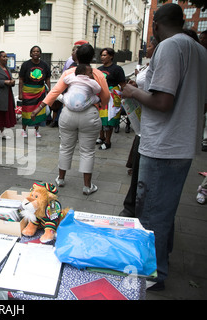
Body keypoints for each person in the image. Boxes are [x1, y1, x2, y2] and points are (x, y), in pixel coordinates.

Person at [122, 3, 207, 291]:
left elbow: (162, 102)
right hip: (181, 143)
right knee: (164, 210)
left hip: (163, 145)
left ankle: (152, 274)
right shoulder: (199, 50)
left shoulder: (170, 47)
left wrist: (133, 91)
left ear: (155, 24)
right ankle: (161, 263)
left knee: (151, 214)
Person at [32, 44, 110, 195]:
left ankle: (61, 179)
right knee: (87, 151)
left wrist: (38, 108)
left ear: (77, 57)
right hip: (90, 115)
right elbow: (106, 96)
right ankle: (87, 186)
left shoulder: (69, 72)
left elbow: (55, 92)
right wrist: (99, 104)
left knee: (65, 147)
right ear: (92, 58)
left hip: (68, 114)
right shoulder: (97, 74)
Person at [119, 37, 158, 218]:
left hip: (151, 124)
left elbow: (161, 99)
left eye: (149, 45)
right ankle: (131, 206)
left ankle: (135, 208)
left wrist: (134, 91)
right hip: (143, 122)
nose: (147, 48)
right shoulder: (151, 65)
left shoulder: (161, 64)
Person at [97, 48, 127, 149]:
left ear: (111, 56)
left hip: (112, 97)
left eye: (105, 55)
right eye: (101, 55)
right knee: (100, 117)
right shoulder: (99, 69)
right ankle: (101, 137)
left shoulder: (117, 69)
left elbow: (123, 84)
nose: (102, 57)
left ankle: (108, 141)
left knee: (109, 119)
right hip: (101, 96)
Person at [18, 46, 51, 138]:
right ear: (31, 53)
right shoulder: (26, 65)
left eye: (37, 51)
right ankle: (23, 130)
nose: (35, 53)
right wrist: (20, 93)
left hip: (40, 91)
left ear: (40, 53)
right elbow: (21, 79)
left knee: (39, 111)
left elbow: (48, 79)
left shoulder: (44, 65)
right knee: (26, 111)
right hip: (28, 91)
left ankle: (36, 130)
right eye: (34, 51)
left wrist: (49, 92)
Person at [0, 51, 16, 142]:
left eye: (6, 57)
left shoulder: (7, 68)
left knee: (5, 115)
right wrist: (5, 82)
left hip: (7, 94)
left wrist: (12, 82)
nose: (5, 58)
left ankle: (2, 132)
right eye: (3, 57)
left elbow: (10, 80)